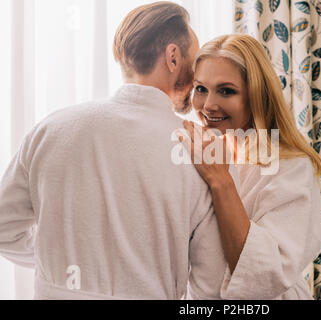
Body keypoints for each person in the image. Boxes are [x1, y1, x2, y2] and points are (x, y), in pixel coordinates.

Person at [0, 2, 214, 299]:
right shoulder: (196, 151)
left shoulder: (51, 129)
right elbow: (210, 284)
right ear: (173, 57)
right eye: (195, 57)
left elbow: (3, 228)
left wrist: (59, 265)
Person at [181, 34, 321, 300]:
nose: (208, 105)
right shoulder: (206, 154)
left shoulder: (290, 166)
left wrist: (221, 181)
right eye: (201, 89)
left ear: (256, 96)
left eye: (226, 90)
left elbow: (267, 273)